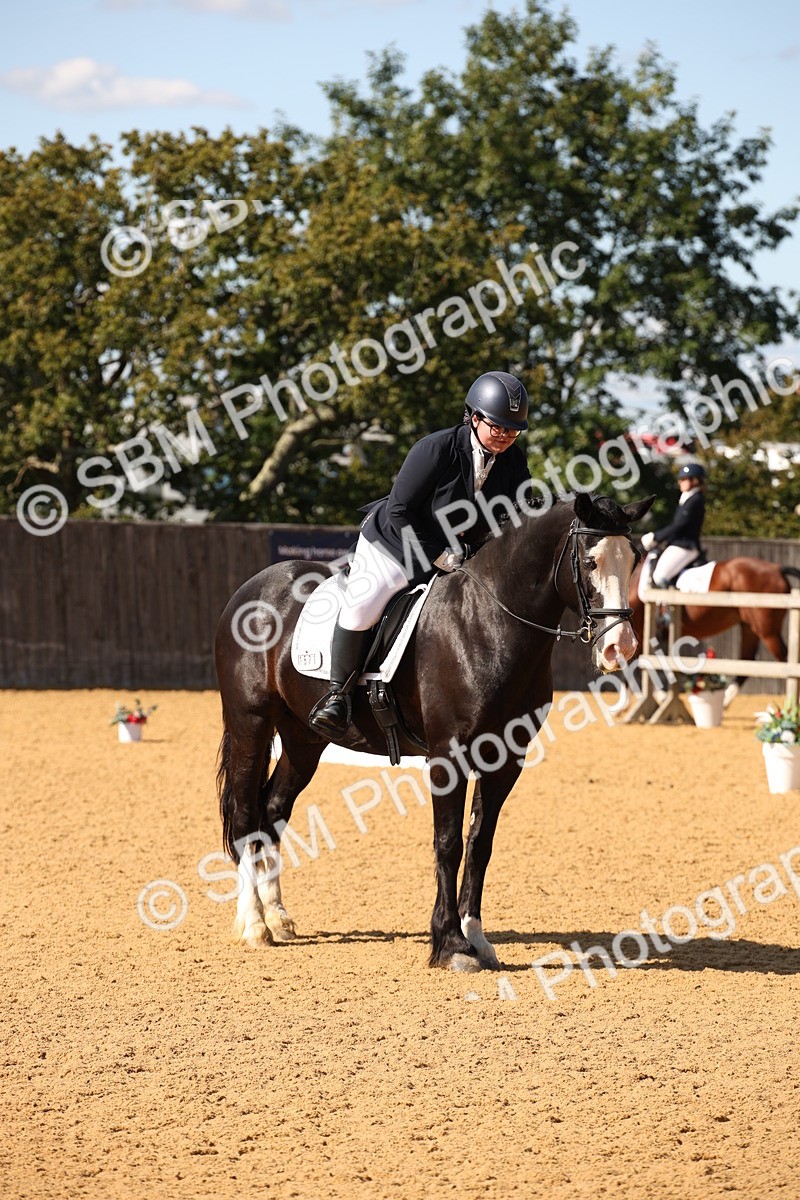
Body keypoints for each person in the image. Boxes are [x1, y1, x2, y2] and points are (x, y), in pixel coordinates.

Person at [308, 370, 532, 738]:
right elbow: (399, 510)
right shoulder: (436, 448)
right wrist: (436, 555)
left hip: (458, 551)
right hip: (395, 544)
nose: (506, 436)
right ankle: (338, 697)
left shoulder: (513, 461)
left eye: (513, 430)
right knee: (363, 606)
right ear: (474, 417)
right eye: (498, 427)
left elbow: (516, 514)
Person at [641, 462, 706, 587]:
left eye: (683, 479)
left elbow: (680, 525)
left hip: (685, 546)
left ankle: (669, 606)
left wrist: (656, 537)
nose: (680, 482)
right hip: (680, 544)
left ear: (695, 480)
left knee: (660, 576)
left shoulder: (695, 499)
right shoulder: (688, 498)